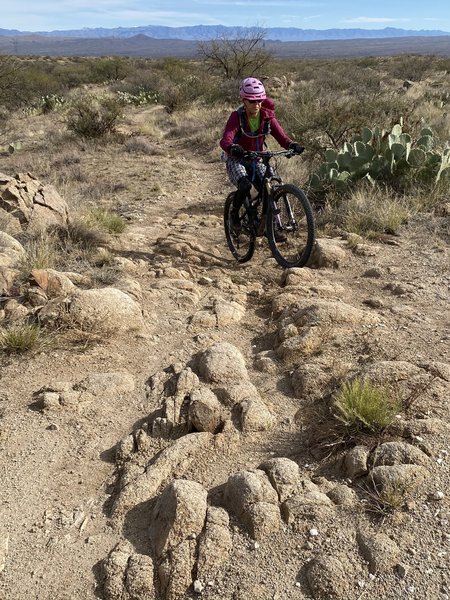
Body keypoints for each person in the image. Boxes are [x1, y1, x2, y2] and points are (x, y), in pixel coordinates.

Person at [219, 77, 304, 230]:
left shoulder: (267, 116)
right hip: (237, 158)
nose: (257, 104)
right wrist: (232, 147)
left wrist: (292, 145)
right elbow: (226, 140)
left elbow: (281, 137)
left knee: (267, 188)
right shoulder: (236, 117)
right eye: (252, 101)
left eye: (260, 100)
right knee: (244, 185)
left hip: (257, 158)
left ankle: (271, 228)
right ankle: (234, 213)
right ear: (244, 100)